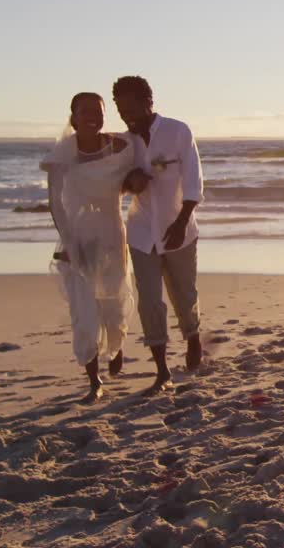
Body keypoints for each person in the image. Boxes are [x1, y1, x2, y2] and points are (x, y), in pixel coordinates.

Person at [41, 92, 150, 403]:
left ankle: (116, 346)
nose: (92, 116)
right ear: (73, 117)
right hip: (79, 237)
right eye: (84, 111)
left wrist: (138, 180)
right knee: (84, 312)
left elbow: (137, 172)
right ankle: (94, 380)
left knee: (114, 303)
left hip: (113, 234)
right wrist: (69, 242)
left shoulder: (123, 146)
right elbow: (56, 204)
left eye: (98, 111)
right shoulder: (63, 154)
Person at [112, 76, 205, 395]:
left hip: (179, 227)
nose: (127, 116)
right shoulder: (124, 143)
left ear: (147, 101)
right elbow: (117, 186)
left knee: (184, 294)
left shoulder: (178, 130)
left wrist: (181, 222)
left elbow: (194, 182)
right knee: (150, 302)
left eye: (131, 108)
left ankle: (192, 337)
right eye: (120, 110)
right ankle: (162, 369)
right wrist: (130, 181)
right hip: (141, 232)